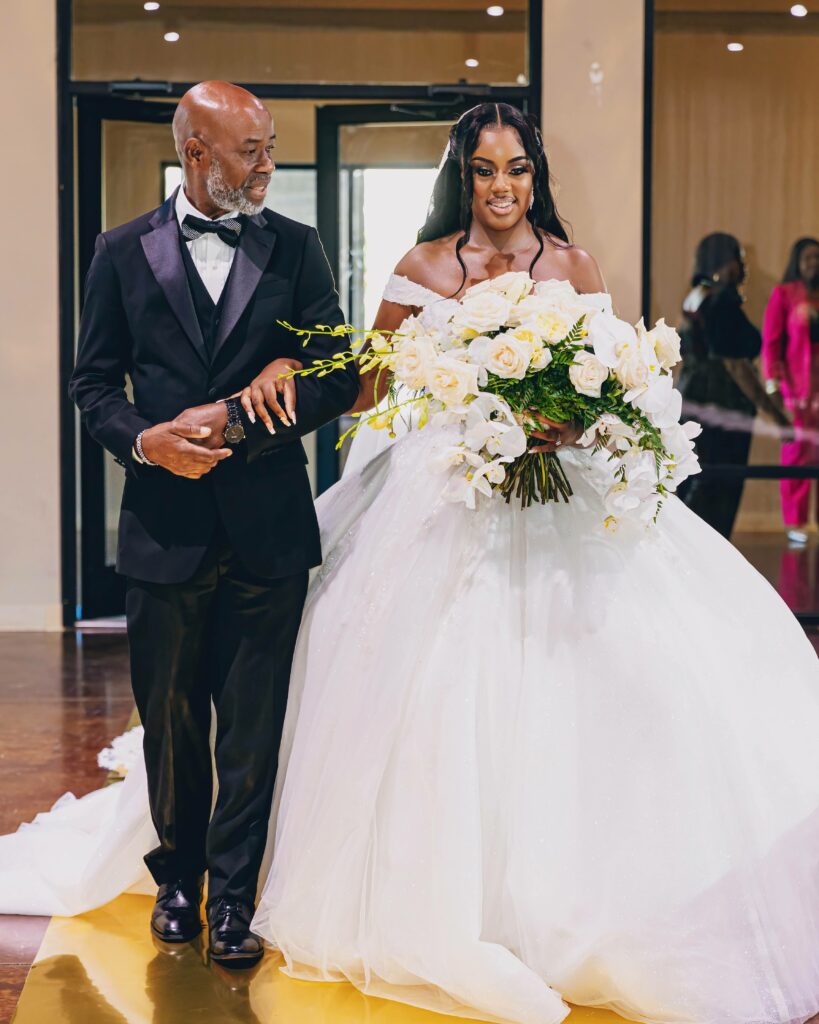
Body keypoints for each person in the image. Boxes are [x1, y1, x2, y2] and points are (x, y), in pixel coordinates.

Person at [2, 103, 819, 1024]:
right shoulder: (422, 267)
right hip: (450, 496)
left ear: (534, 174)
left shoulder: (574, 265)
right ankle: (211, 883)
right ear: (460, 177)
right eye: (482, 171)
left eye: (515, 169)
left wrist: (572, 419)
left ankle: (569, 893)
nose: (500, 188)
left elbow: (612, 378)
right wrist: (318, 380)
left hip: (563, 502)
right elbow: (367, 381)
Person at [67, 81, 358, 967]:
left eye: (268, 147)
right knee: (171, 723)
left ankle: (234, 899)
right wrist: (146, 441)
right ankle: (176, 881)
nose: (267, 165)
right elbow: (91, 385)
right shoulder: (120, 252)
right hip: (162, 528)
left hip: (268, 526)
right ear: (196, 152)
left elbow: (340, 371)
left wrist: (261, 402)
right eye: (250, 151)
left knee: (252, 728)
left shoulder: (298, 248)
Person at [676, 232, 789, 539]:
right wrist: (778, 419)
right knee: (717, 496)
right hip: (723, 410)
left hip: (693, 399)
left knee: (694, 486)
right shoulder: (722, 301)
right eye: (739, 258)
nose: (744, 267)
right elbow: (737, 367)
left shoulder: (697, 294)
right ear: (724, 262)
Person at [763, 236, 819, 545]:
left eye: (818, 258)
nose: (814, 263)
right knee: (797, 455)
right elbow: (771, 346)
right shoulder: (784, 295)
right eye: (809, 257)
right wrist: (774, 388)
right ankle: (796, 522)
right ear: (797, 261)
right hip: (798, 391)